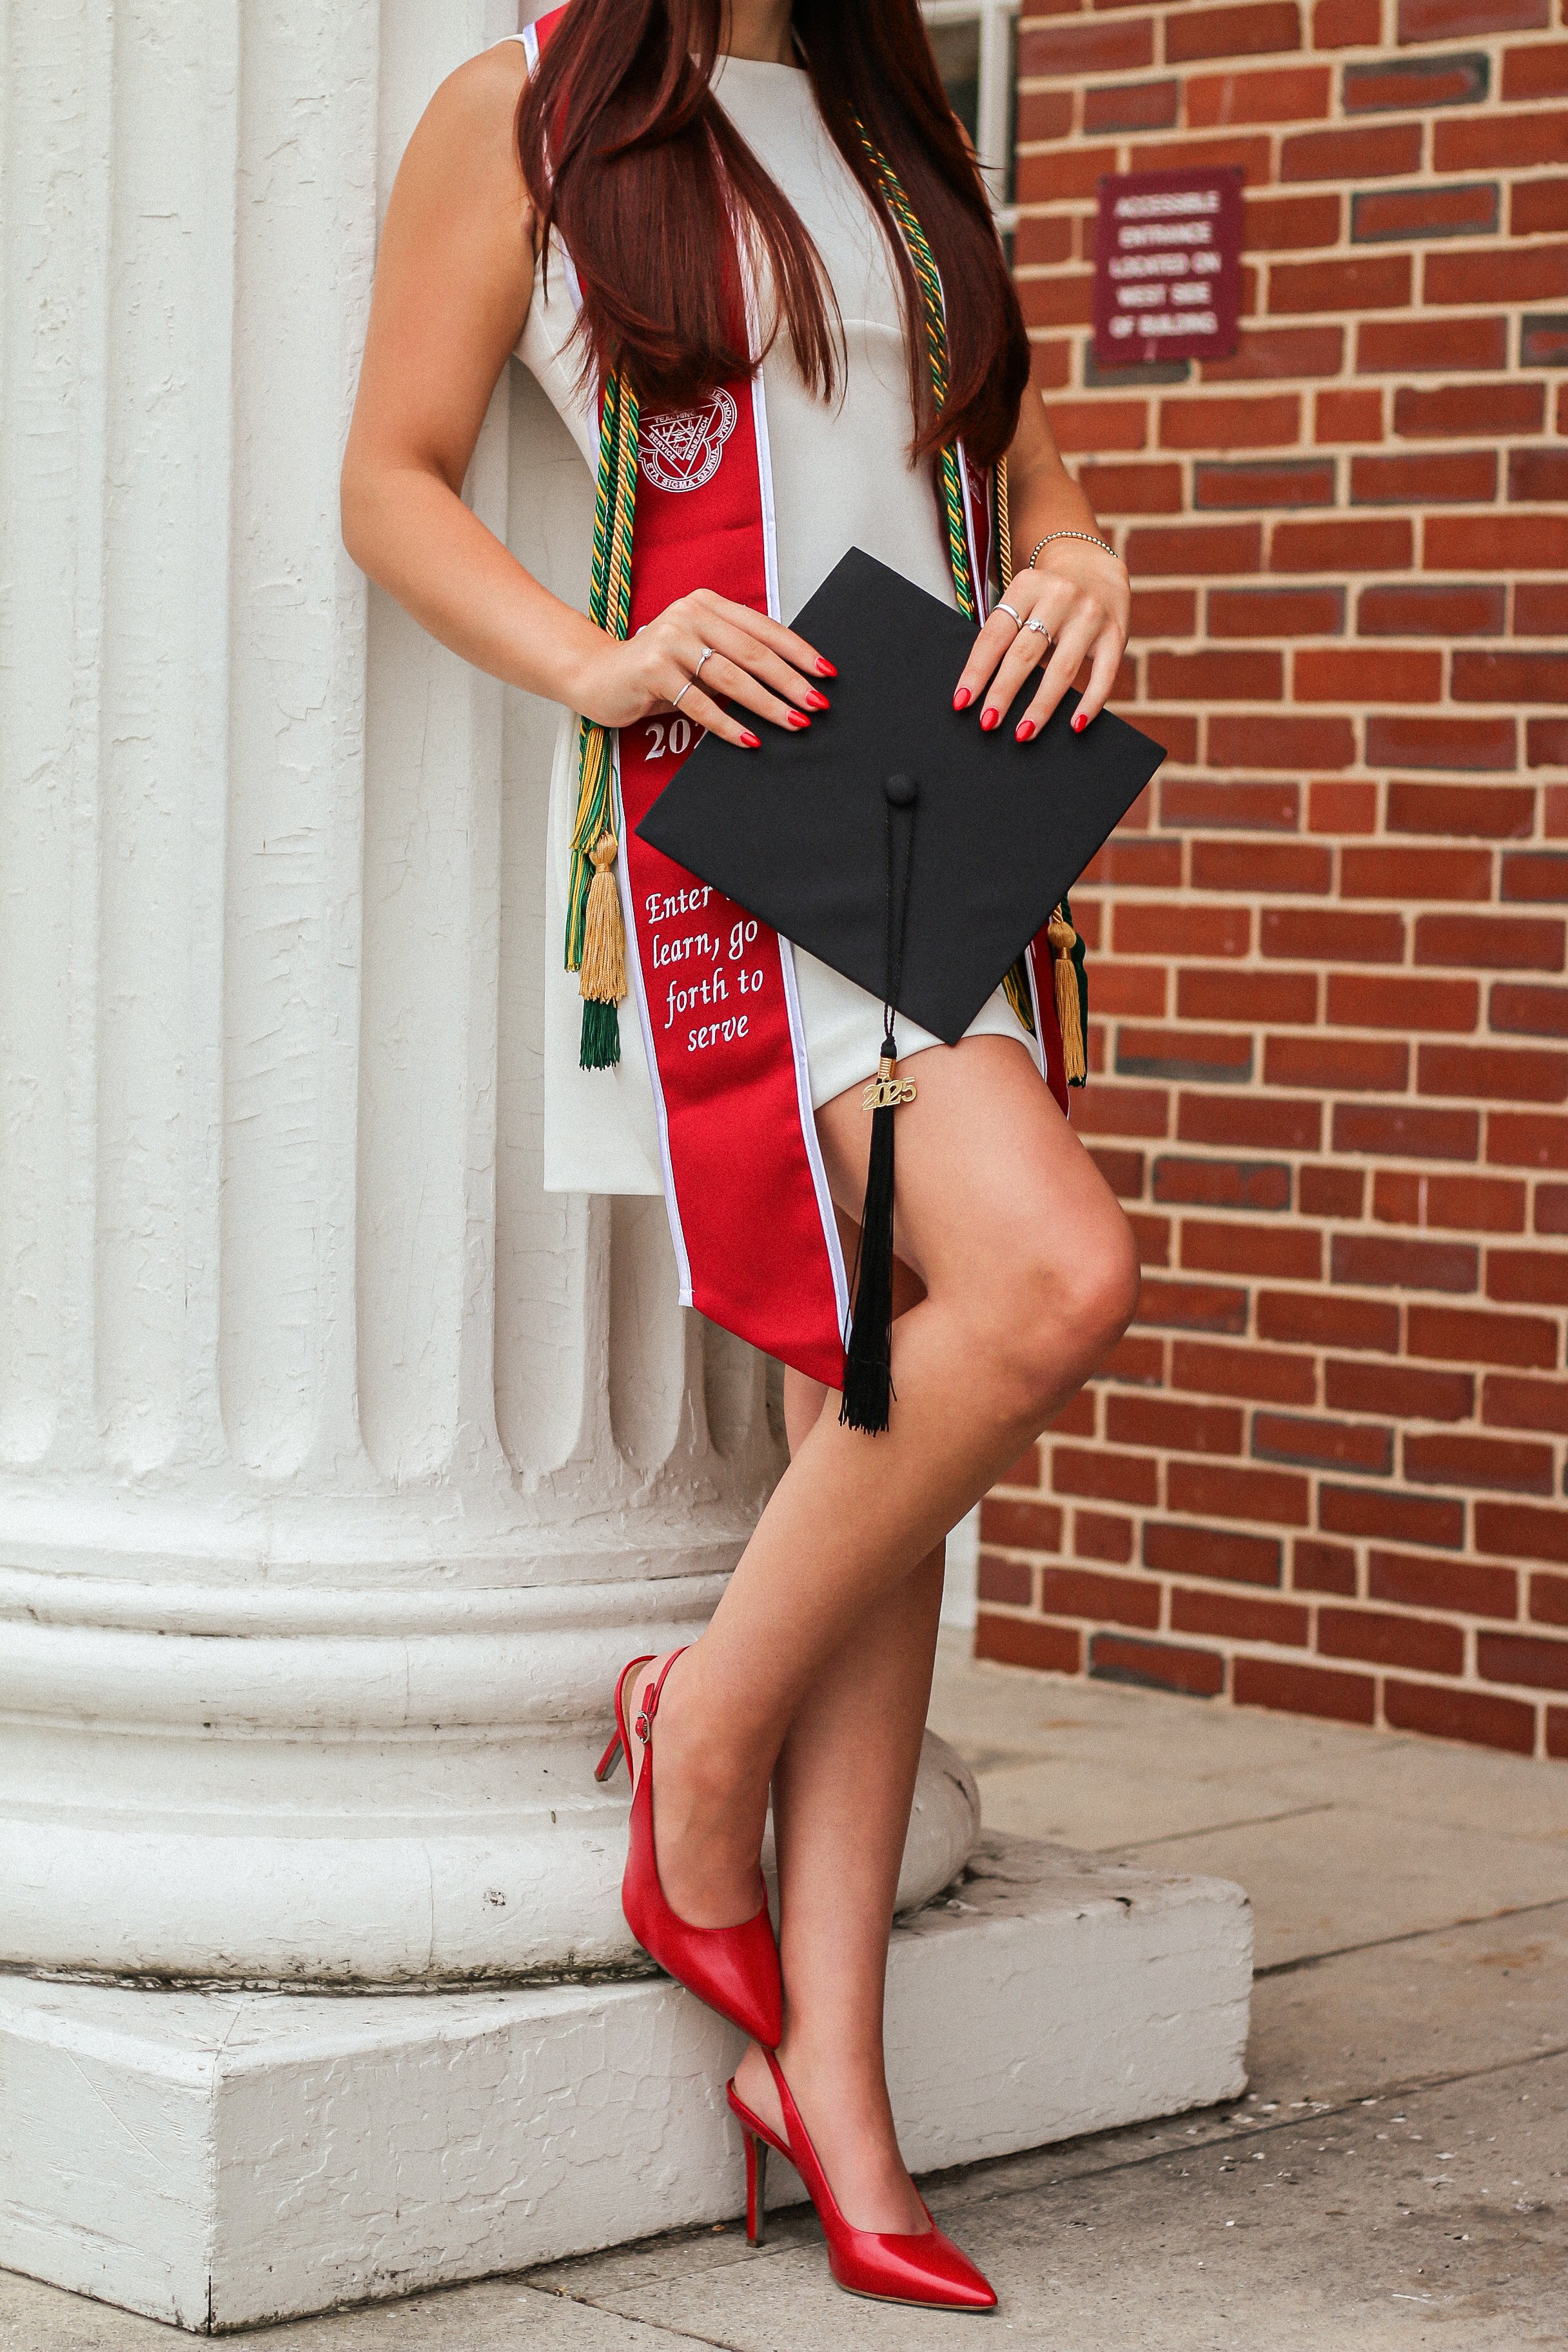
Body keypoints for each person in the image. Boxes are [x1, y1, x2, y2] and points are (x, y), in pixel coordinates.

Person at [341, 0, 1138, 2309]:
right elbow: (391, 471)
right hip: (749, 819)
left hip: (939, 809)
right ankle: (701, 1736)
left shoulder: (904, 131)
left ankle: (836, 2090)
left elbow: (1037, 494)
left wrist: (1084, 579)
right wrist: (595, 655)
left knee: (875, 1392)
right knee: (1044, 1282)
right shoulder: (530, 108)